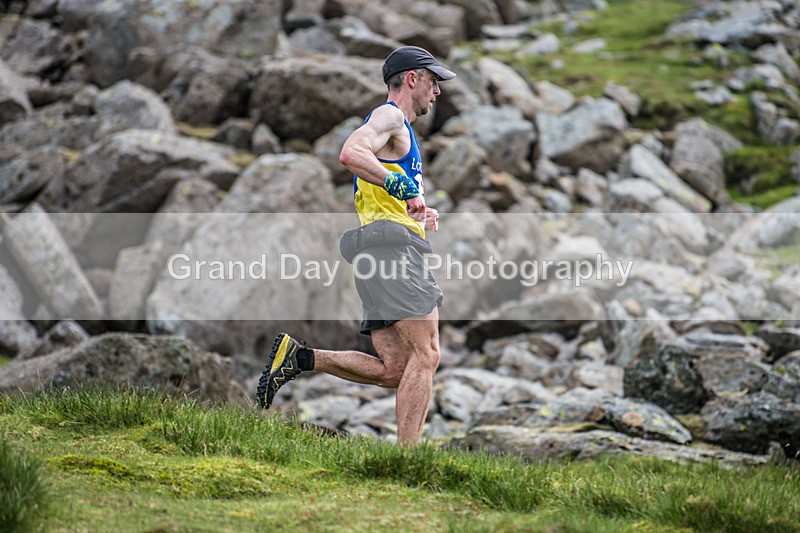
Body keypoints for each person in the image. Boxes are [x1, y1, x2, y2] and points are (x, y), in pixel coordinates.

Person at [257, 46, 456, 446]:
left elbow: (376, 184)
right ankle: (407, 461)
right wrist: (400, 185)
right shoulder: (391, 116)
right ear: (412, 79)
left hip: (377, 250)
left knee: (396, 368)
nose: (437, 91)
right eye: (433, 81)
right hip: (395, 253)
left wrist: (417, 207)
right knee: (427, 354)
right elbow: (350, 151)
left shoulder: (402, 132)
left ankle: (299, 358)